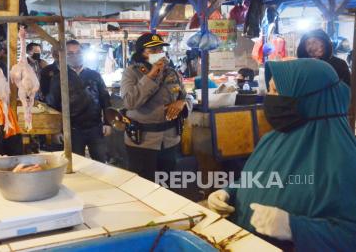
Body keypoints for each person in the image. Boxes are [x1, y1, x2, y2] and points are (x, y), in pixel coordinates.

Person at [207, 59, 356, 251]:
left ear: (309, 98)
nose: (269, 98)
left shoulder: (345, 161)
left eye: (276, 91)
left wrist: (294, 228)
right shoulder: (273, 138)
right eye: (269, 89)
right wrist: (229, 192)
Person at [120, 33, 192, 182]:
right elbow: (130, 102)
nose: (157, 54)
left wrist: (182, 103)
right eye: (152, 51)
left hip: (170, 140)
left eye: (159, 49)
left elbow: (186, 96)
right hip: (142, 142)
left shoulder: (171, 73)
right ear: (141, 53)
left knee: (168, 186)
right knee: (143, 188)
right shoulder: (131, 73)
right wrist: (151, 75)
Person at [46, 40, 111, 162]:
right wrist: (55, 131)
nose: (75, 56)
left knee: (101, 162)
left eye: (78, 52)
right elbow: (52, 105)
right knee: (76, 163)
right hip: (72, 130)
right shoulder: (59, 77)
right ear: (64, 56)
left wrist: (108, 122)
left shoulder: (94, 75)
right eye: (70, 53)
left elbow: (105, 99)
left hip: (95, 127)